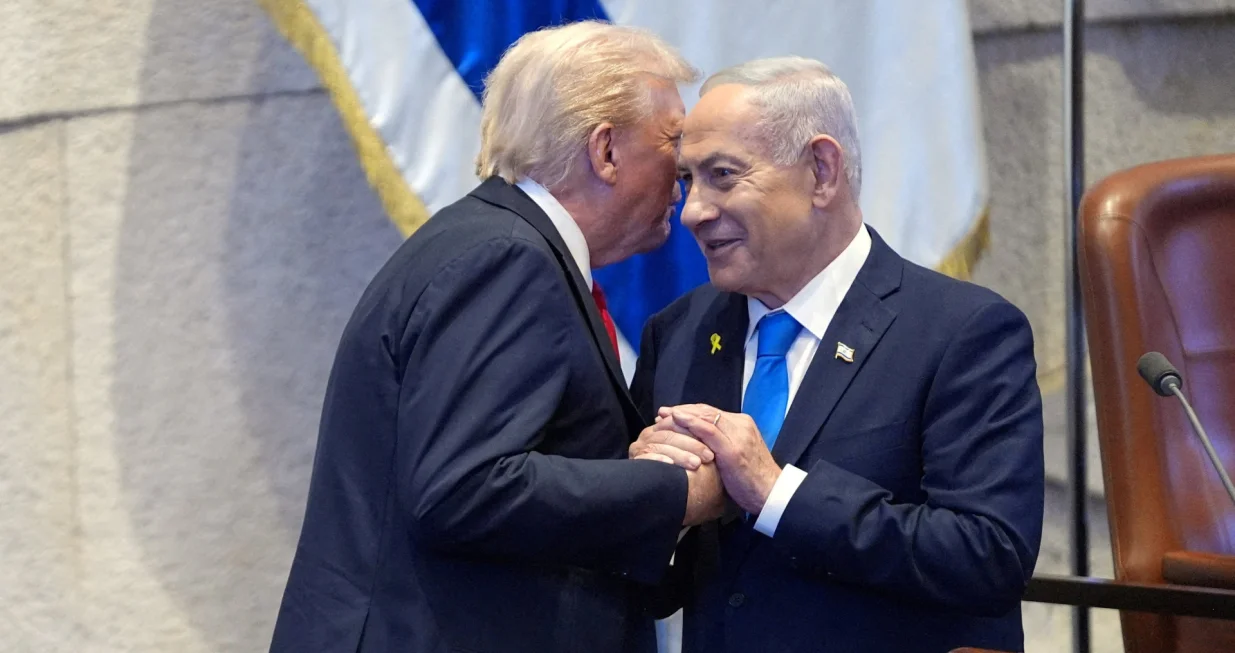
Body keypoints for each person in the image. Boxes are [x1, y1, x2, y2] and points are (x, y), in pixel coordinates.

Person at [271, 21, 725, 653]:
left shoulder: (496, 244)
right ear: (607, 151)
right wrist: (676, 490)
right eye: (671, 144)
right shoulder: (508, 261)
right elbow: (463, 488)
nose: (685, 176)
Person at [630, 57, 1044, 653]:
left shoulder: (963, 332)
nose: (693, 210)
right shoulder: (679, 332)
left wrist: (777, 494)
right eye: (688, 180)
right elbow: (655, 588)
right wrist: (651, 504)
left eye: (722, 175)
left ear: (822, 170)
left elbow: (988, 558)